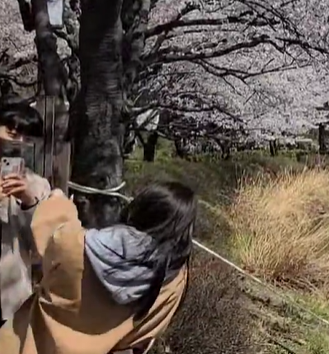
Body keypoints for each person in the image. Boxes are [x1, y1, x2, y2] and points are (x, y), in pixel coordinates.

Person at [0, 178, 196, 354]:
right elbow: (141, 336)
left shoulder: (77, 246)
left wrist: (53, 200)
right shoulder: (174, 283)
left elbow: (54, 237)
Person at [0, 102, 49, 326]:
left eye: (27, 138)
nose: (18, 142)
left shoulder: (38, 186)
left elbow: (43, 248)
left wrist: (30, 202)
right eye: (12, 132)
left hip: (10, 298)